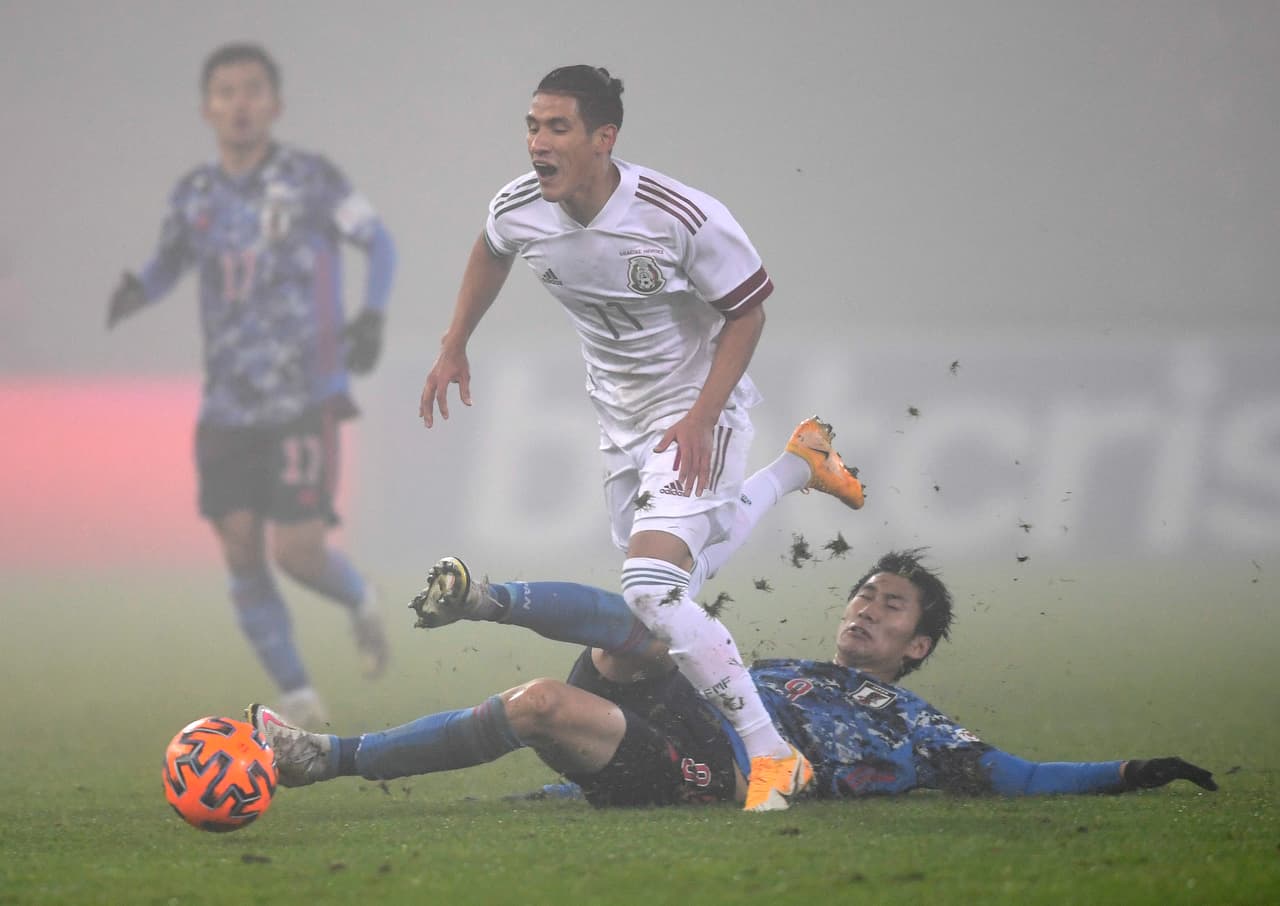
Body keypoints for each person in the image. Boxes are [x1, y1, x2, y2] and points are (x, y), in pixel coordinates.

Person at [248, 454, 1216, 807]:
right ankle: (486, 599)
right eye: (861, 593)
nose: (864, 608)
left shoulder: (917, 727)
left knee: (542, 705)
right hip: (701, 710)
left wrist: (1128, 773)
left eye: (889, 606)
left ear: (918, 647)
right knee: (643, 620)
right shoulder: (788, 670)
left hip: (714, 778)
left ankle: (323, 759)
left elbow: (1019, 778)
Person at [417, 63, 865, 811]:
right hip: (619, 422)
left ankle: (771, 756)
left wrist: (700, 417)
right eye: (532, 125)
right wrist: (454, 342)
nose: (537, 142)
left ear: (604, 137)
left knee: (650, 591)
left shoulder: (678, 214)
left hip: (699, 413)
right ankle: (799, 465)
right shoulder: (520, 205)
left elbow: (748, 313)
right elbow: (491, 250)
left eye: (556, 127)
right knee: (666, 588)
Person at [107, 43, 397, 726]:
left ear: (276, 104)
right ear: (207, 108)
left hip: (303, 397)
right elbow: (168, 263)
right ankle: (298, 695)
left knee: (294, 552)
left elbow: (378, 239)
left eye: (253, 89)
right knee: (239, 546)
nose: (240, 103)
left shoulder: (311, 180)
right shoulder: (194, 194)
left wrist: (373, 315)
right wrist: (136, 288)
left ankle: (360, 598)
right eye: (226, 91)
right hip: (226, 406)